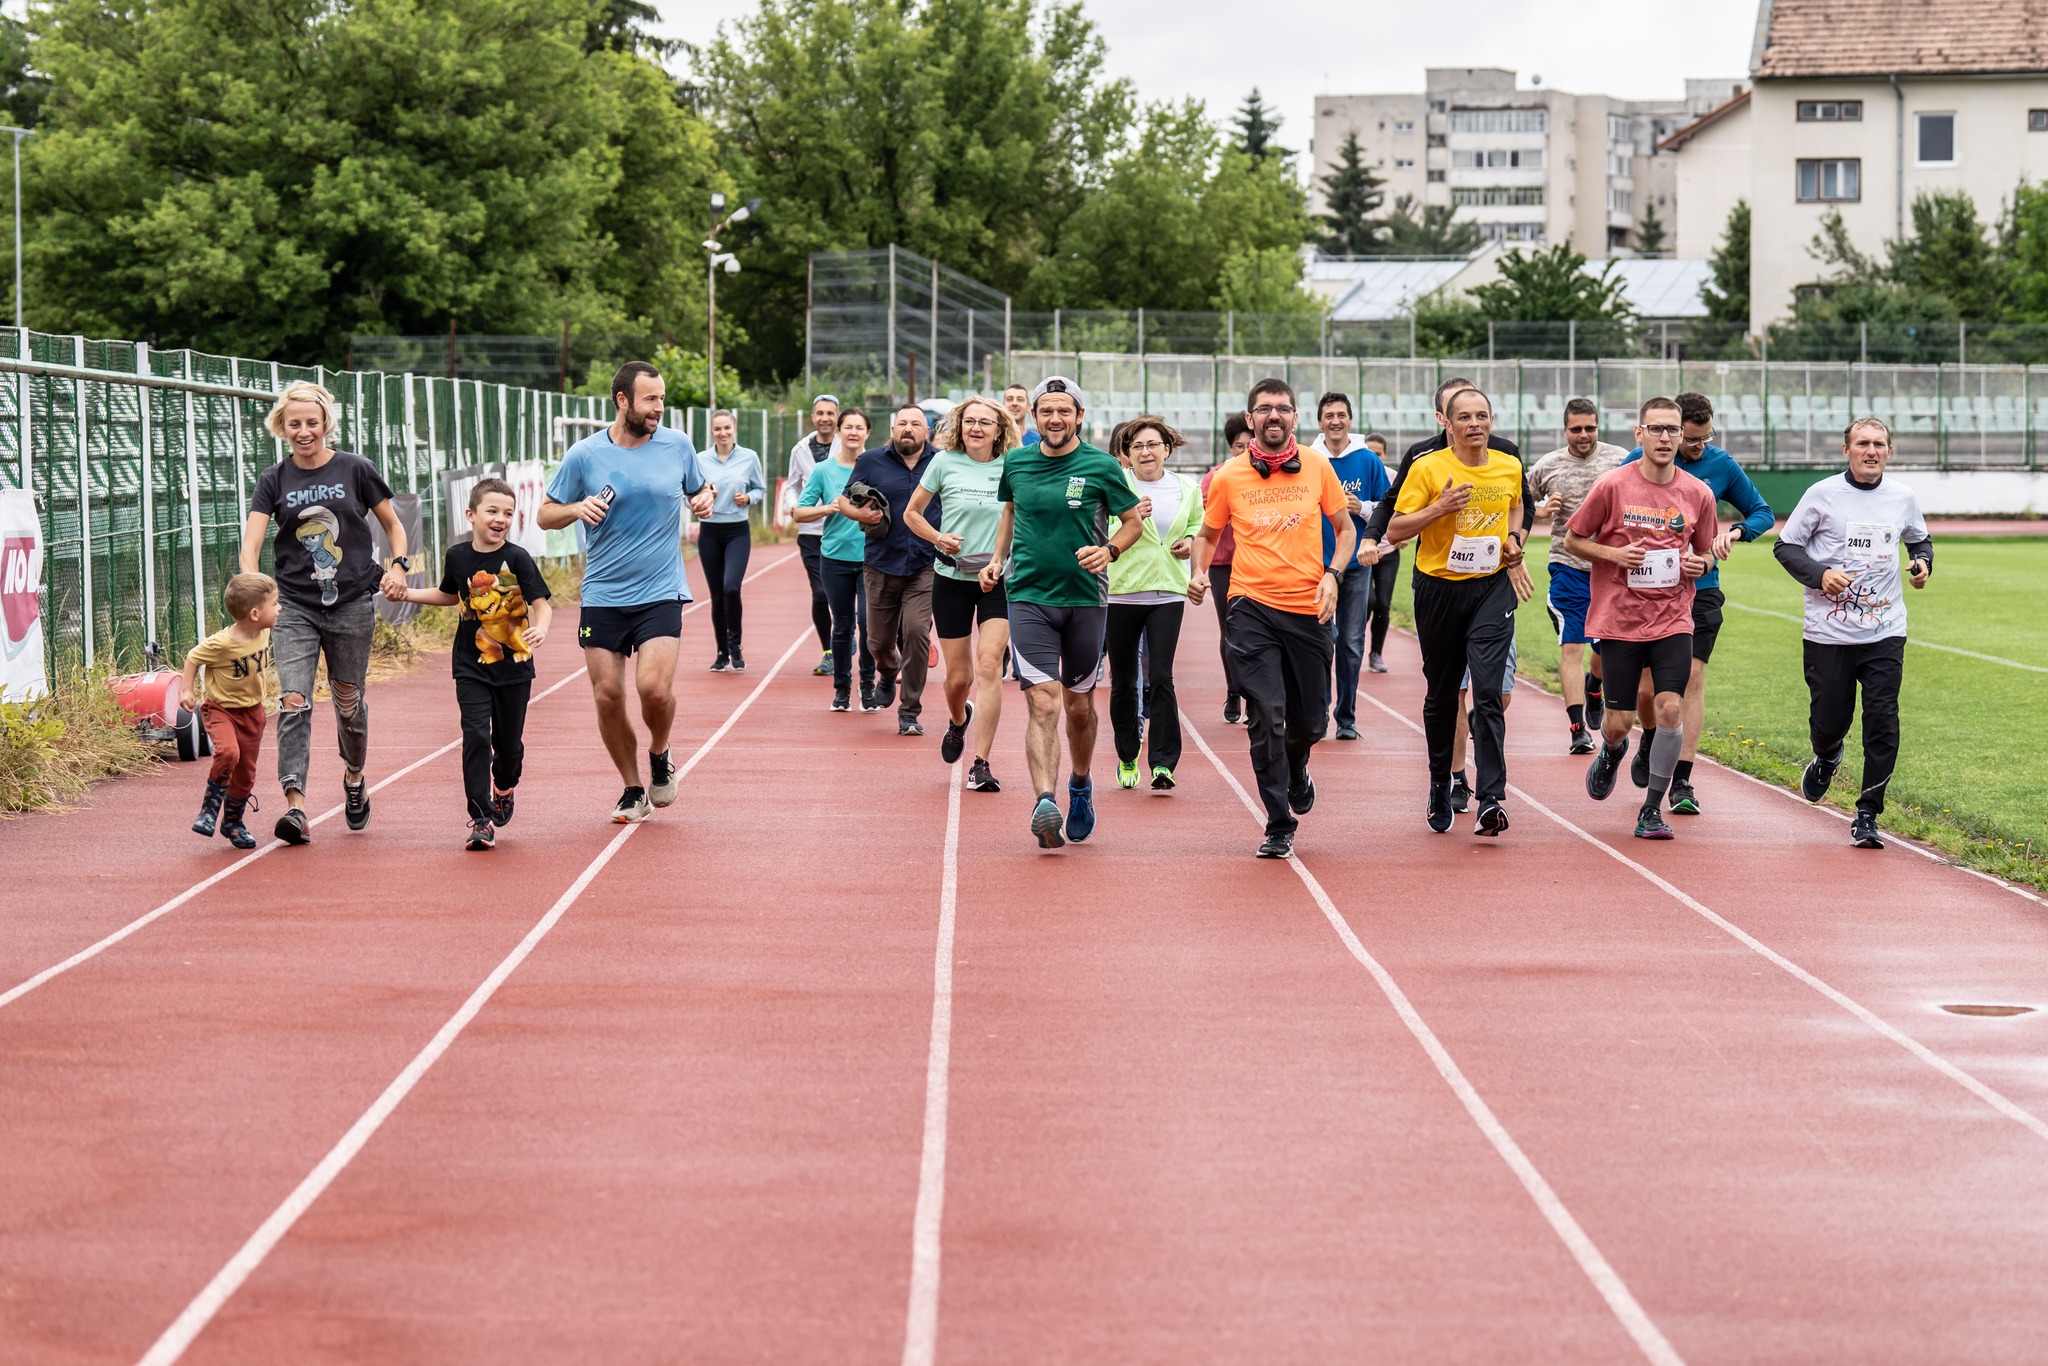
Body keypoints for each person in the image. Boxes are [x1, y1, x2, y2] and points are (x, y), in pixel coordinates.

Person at [1190, 378, 1361, 858]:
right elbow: (1206, 534)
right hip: (1250, 607)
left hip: (1308, 608)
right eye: (1264, 409)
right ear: (1250, 419)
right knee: (1266, 716)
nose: (1273, 416)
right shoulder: (1228, 477)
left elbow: (1344, 530)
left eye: (1282, 409)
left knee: (1310, 722)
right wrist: (1199, 571)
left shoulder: (1317, 467)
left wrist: (1333, 574)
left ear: (1294, 419)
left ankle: (1299, 763)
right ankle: (1278, 820)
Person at [538, 361, 714, 823]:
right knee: (607, 696)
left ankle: (660, 752)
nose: (659, 408)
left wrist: (705, 500)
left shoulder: (676, 445)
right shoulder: (585, 455)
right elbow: (544, 514)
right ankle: (632, 787)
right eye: (650, 400)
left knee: (653, 690)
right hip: (603, 591)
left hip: (660, 589)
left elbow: (700, 491)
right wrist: (577, 508)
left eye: (661, 398)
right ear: (622, 401)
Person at [239, 380, 411, 846]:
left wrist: (398, 566)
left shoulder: (356, 468)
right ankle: (295, 806)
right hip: (294, 606)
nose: (303, 431)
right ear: (282, 427)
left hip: (352, 603)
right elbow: (251, 545)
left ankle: (354, 778)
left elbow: (394, 527)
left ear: (325, 425)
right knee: (293, 700)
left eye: (311, 423)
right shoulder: (273, 480)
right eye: (294, 423)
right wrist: (255, 590)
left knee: (348, 705)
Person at [981, 376, 1142, 848]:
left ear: (1079, 417)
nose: (1055, 419)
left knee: (1078, 706)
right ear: (1033, 417)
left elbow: (1132, 522)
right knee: (1043, 701)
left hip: (1086, 600)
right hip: (1028, 595)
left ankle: (1080, 783)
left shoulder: (1100, 466)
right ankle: (1044, 801)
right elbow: (1009, 513)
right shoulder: (1016, 461)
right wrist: (997, 560)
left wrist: (1109, 551)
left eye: (1064, 411)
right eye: (1046, 411)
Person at [1774, 418, 1932, 849]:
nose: (1871, 450)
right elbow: (1785, 546)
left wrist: (1922, 563)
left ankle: (1867, 813)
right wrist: (1820, 573)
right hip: (1829, 633)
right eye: (1862, 443)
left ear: (1889, 451)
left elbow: (1920, 540)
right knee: (1829, 722)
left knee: (1882, 718)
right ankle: (1826, 755)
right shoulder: (1822, 495)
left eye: (1879, 443)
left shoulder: (1902, 497)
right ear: (1846, 450)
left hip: (1885, 630)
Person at [1567, 398, 1718, 841]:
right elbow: (1575, 540)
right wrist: (1614, 554)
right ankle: (1612, 752)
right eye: (1657, 429)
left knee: (1670, 706)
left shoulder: (1698, 493)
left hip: (1673, 618)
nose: (1666, 437)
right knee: (1620, 722)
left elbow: (1705, 551)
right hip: (1619, 619)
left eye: (1673, 430)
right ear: (1640, 434)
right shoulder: (1612, 486)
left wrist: (1701, 565)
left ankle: (1651, 808)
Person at [1620, 392, 1774, 813]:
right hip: (1646, 593)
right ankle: (1651, 737)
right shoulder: (1636, 461)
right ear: (1669, 430)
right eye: (1692, 439)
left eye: (1706, 438)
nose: (1699, 447)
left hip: (1701, 589)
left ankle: (1682, 781)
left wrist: (1736, 532)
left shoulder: (1720, 465)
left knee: (1692, 678)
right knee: (1648, 689)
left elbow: (1763, 511)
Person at [385, 478, 554, 849]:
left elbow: (541, 603)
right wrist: (405, 593)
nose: (501, 519)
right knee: (476, 735)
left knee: (507, 747)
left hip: (514, 665)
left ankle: (504, 785)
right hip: (470, 663)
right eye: (492, 511)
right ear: (471, 514)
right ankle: (480, 818)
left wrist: (539, 628)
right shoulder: (458, 556)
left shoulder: (518, 558)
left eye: (508, 513)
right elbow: (449, 595)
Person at [1387, 386, 1524, 836]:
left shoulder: (1509, 464)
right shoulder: (1427, 467)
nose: (1474, 424)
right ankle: (1438, 781)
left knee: (1487, 693)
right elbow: (1396, 528)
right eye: (1464, 417)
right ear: (1447, 423)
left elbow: (1518, 506)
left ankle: (1491, 798)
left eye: (1481, 415)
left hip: (1490, 589)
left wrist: (1514, 540)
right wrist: (1439, 507)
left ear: (1492, 419)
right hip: (1439, 590)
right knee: (1443, 695)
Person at [905, 397, 1015, 789]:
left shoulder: (1012, 466)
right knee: (959, 679)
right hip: (951, 577)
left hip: (997, 579)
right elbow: (911, 513)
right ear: (960, 425)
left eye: (986, 422)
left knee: (989, 668)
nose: (976, 428)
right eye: (970, 421)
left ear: (999, 429)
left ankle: (981, 763)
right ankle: (957, 721)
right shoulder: (944, 462)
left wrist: (1001, 561)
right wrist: (938, 537)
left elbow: (1025, 515)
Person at [1106, 416, 1203, 790]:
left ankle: (1163, 763)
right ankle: (1128, 753)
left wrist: (1191, 541)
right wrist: (1128, 520)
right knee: (1125, 679)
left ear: (1167, 448)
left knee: (1162, 676)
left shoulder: (1187, 487)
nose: (1146, 452)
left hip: (1168, 591)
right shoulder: (1116, 485)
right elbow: (1099, 532)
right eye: (1137, 447)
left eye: (1153, 445)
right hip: (1123, 591)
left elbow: (1198, 523)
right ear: (1127, 454)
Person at [1527, 398, 1628, 753]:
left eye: (1590, 428)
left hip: (1611, 569)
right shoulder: (1547, 466)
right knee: (1572, 646)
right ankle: (1577, 730)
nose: (1584, 435)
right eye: (1576, 429)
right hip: (1568, 567)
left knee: (1604, 650)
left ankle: (1594, 687)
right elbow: (1520, 503)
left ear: (1598, 426)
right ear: (1565, 429)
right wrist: (1539, 511)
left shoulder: (1621, 460)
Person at [849, 405, 942, 736]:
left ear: (926, 431)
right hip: (880, 563)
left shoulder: (941, 461)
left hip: (926, 564)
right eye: (902, 423)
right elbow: (847, 499)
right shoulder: (870, 461)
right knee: (878, 642)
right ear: (892, 429)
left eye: (915, 424)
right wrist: (860, 515)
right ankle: (887, 673)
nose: (908, 428)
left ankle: (909, 711)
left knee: (917, 632)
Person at [1308, 392, 1390, 741]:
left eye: (1341, 414)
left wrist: (1364, 507)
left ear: (1351, 420)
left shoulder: (1368, 460)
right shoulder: (1309, 460)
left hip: (1356, 565)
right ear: (1319, 421)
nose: (1335, 421)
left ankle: (1346, 717)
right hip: (1317, 567)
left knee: (1352, 642)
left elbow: (1389, 509)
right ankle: (1318, 711)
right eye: (1329, 415)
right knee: (1321, 641)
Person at [184, 571, 279, 851]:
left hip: (253, 713)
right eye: (274, 604)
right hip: (221, 710)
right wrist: (186, 690)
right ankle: (209, 810)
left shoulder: (264, 630)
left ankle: (233, 822)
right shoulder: (221, 643)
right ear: (254, 613)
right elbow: (193, 657)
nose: (279, 608)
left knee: (246, 774)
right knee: (229, 753)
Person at [793, 409, 879, 711]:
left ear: (868, 433)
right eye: (848, 427)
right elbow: (799, 513)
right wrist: (829, 508)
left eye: (859, 428)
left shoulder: (879, 467)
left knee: (868, 625)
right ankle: (842, 688)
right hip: (834, 559)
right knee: (842, 627)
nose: (853, 432)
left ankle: (867, 685)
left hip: (872, 559)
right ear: (840, 433)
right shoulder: (823, 470)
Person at [700, 410, 766, 672]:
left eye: (727, 428)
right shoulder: (700, 459)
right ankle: (721, 652)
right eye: (718, 429)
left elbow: (759, 489)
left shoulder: (749, 457)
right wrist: (705, 495)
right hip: (710, 531)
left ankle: (735, 644)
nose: (723, 433)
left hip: (737, 531)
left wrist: (748, 498)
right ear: (712, 431)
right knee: (716, 596)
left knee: (731, 588)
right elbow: (688, 494)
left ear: (734, 429)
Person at [1200, 414, 1254, 722]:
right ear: (1229, 447)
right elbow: (1210, 519)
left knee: (1256, 630)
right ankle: (1234, 691)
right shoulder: (1217, 477)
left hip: (1257, 563)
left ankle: (1253, 697)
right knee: (1231, 629)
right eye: (1238, 446)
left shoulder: (1265, 474)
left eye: (1251, 445)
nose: (1244, 452)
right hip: (1224, 564)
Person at [784, 395, 841, 676]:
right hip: (811, 532)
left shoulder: (850, 445)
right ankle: (829, 651)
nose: (825, 418)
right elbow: (791, 485)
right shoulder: (800, 450)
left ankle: (846, 636)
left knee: (843, 594)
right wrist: (792, 506)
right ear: (812, 417)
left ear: (837, 417)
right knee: (820, 594)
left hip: (843, 529)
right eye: (820, 413)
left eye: (830, 413)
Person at [1361, 431, 1398, 673]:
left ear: (1384, 455)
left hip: (1387, 551)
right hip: (1362, 550)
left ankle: (1376, 654)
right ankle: (1351, 643)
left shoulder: (1394, 477)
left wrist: (1405, 535)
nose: (1374, 456)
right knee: (1367, 601)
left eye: (1378, 453)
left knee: (1382, 604)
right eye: (1369, 452)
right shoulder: (1360, 476)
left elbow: (1407, 509)